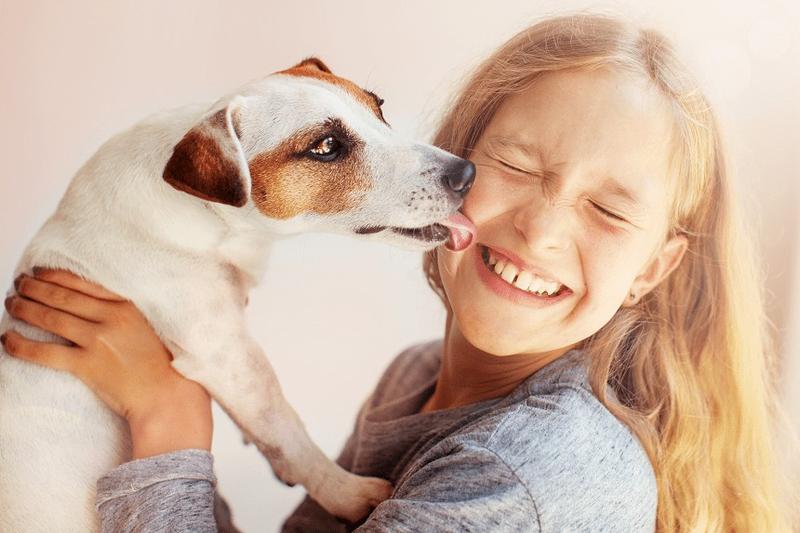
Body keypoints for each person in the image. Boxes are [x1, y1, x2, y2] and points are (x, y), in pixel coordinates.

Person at [2, 12, 794, 532]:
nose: (542, 228)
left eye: (610, 211)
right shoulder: (418, 379)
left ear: (654, 267)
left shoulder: (517, 475)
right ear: (456, 157)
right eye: (516, 165)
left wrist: (168, 415)